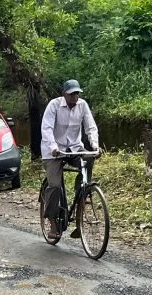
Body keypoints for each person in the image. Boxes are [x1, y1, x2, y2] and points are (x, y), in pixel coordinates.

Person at [40, 79, 100, 241]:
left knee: (89, 159)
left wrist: (95, 146)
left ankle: (81, 192)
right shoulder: (54, 106)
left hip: (74, 148)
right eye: (71, 94)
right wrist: (52, 147)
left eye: (77, 93)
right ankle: (52, 221)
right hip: (54, 151)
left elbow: (91, 127)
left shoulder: (82, 105)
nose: (75, 97)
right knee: (54, 185)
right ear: (64, 94)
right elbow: (46, 128)